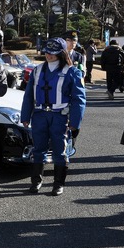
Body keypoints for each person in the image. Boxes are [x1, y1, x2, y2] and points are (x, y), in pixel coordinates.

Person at [21, 37, 86, 196]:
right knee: (38, 149)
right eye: (47, 52)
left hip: (60, 116)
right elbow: (29, 95)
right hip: (40, 115)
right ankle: (36, 181)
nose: (49, 55)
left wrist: (75, 122)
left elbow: (79, 99)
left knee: (59, 150)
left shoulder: (72, 72)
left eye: (53, 53)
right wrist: (25, 116)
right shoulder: (37, 70)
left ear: (62, 53)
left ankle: (58, 183)